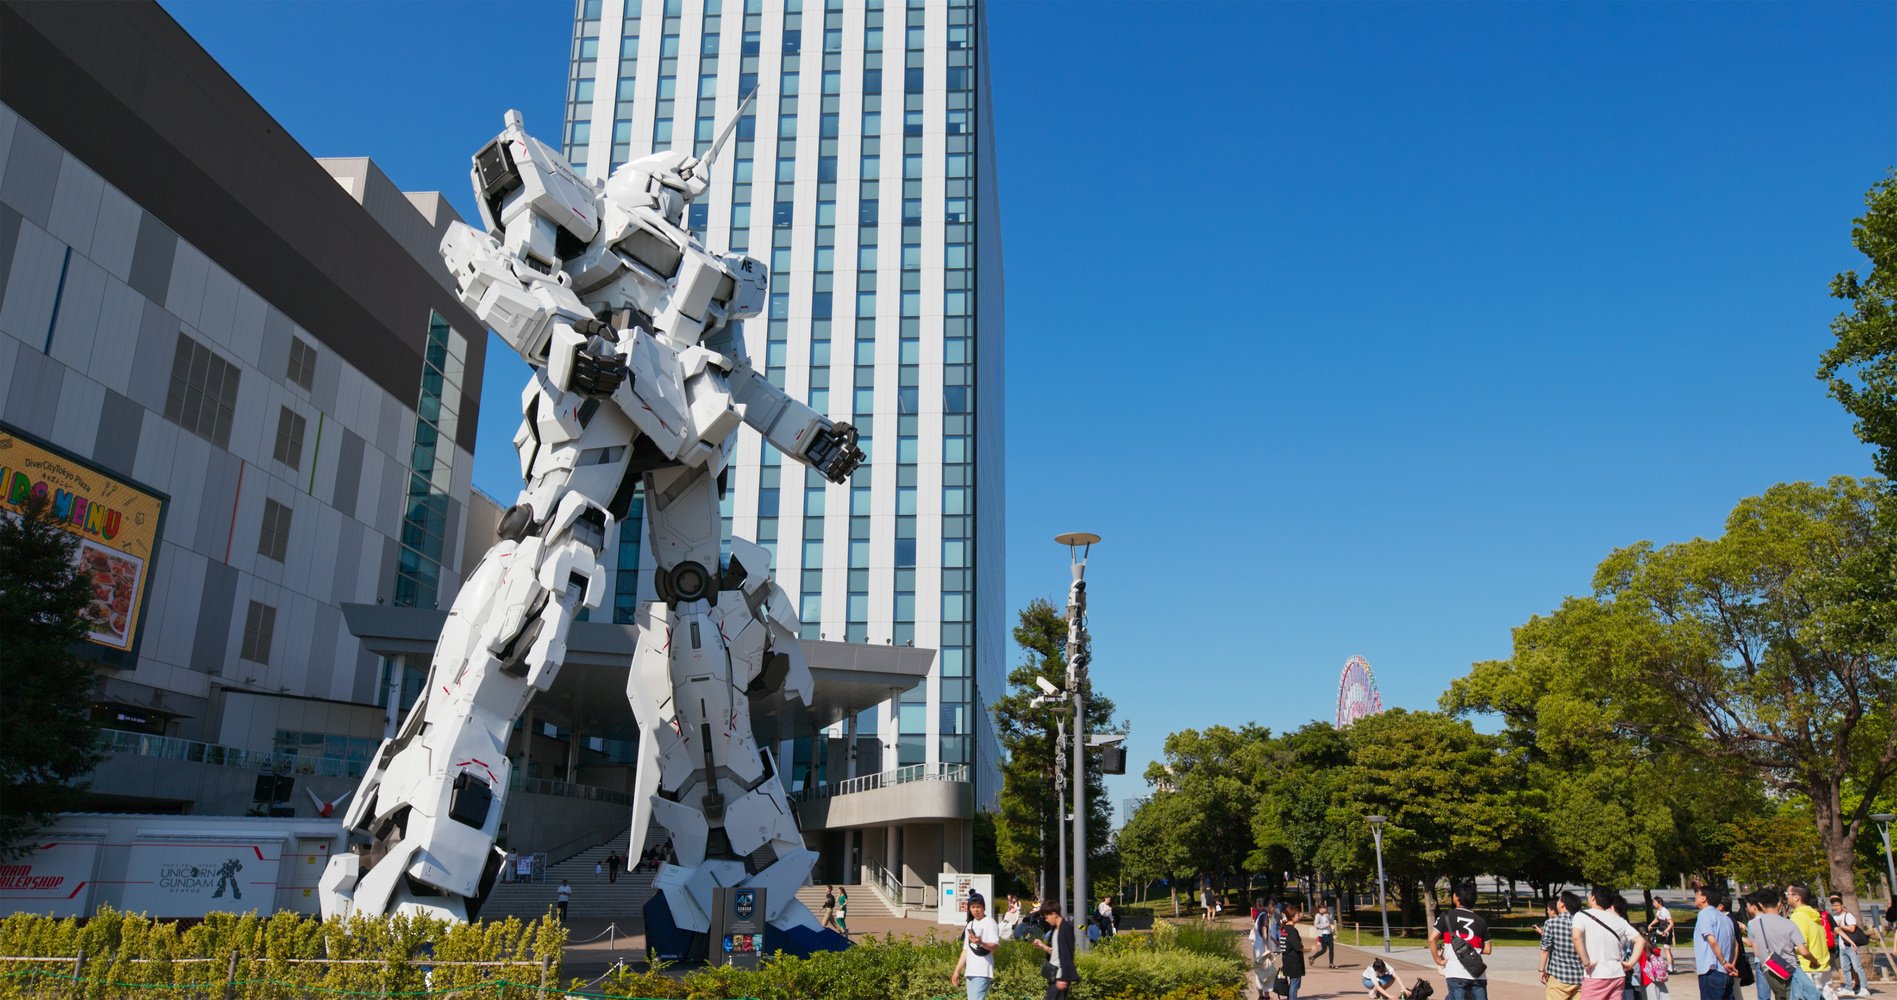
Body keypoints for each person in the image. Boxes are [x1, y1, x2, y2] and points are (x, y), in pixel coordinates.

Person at [1575, 886, 1647, 1000]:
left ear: (1593, 897)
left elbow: (1576, 938)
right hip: (1617, 975)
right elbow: (1640, 941)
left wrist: (1585, 962)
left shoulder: (1581, 915)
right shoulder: (1620, 921)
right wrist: (1630, 963)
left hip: (1596, 974)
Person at [1746, 889, 1814, 1000]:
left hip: (1770, 968)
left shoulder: (1753, 924)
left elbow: (1756, 952)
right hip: (1790, 968)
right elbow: (1803, 951)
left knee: (1780, 996)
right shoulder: (1789, 923)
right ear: (1779, 904)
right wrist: (1814, 960)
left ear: (1760, 905)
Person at [1432, 883, 1494, 1000]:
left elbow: (1432, 939)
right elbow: (1488, 950)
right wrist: (1471, 950)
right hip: (1477, 973)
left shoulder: (1446, 916)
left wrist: (1438, 960)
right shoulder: (1481, 921)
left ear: (1456, 897)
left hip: (1456, 972)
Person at [1785, 885, 1832, 1000]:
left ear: (1796, 897)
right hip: (1823, 964)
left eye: (1787, 894)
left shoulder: (1798, 916)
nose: (1786, 897)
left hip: (1809, 967)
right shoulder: (1814, 914)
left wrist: (1813, 960)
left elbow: (1801, 947)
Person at [951, 892, 1001, 1000]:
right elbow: (966, 950)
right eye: (973, 907)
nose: (976, 910)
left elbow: (995, 946)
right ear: (969, 909)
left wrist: (981, 943)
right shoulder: (971, 924)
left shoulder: (990, 923)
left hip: (983, 970)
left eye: (978, 907)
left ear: (984, 907)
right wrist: (957, 971)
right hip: (970, 970)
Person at [1694, 886, 1740, 1000]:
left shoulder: (1704, 914)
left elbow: (1712, 941)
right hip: (1726, 973)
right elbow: (1735, 944)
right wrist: (1731, 965)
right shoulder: (1726, 918)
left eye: (1697, 894)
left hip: (1711, 971)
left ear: (1704, 898)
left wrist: (1724, 962)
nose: (1695, 896)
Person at [1543, 891, 1587, 1000]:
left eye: (1559, 900)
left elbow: (1545, 948)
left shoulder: (1551, 923)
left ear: (1562, 904)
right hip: (1580, 977)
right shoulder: (1583, 924)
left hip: (1559, 975)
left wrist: (1541, 969)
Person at [1032, 901, 1079, 1000]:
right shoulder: (1056, 929)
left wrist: (1064, 978)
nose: (1046, 920)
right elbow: (1056, 952)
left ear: (1054, 914)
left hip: (1060, 976)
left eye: (1046, 917)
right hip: (1054, 976)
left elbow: (1068, 954)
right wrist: (1042, 945)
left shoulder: (1066, 929)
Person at [1827, 896, 1864, 998]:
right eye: (1833, 905)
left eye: (1837, 905)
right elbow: (1836, 931)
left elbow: (1852, 929)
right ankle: (1848, 987)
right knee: (1845, 968)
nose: (1835, 907)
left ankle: (1863, 987)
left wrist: (1840, 927)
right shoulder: (1835, 917)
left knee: (1856, 967)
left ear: (1842, 905)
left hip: (1850, 945)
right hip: (1842, 945)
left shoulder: (1848, 915)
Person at [1252, 896, 1284, 993]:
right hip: (1262, 947)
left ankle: (1261, 995)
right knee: (1267, 972)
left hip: (1257, 946)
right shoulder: (1265, 915)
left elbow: (1263, 931)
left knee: (1260, 971)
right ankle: (1266, 995)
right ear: (1270, 905)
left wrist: (1274, 940)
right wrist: (1267, 948)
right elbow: (1264, 931)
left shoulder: (1259, 913)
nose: (1274, 910)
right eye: (1274, 907)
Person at [1280, 901, 1310, 1000]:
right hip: (1294, 961)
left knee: (1293, 983)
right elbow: (1298, 947)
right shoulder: (1291, 930)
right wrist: (1310, 949)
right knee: (1295, 984)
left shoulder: (1284, 929)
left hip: (1287, 959)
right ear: (1292, 916)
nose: (1299, 916)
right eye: (1297, 914)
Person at [1315, 903, 1338, 969]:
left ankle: (1331, 963)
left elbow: (1331, 922)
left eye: (1324, 908)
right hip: (1322, 934)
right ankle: (1313, 957)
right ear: (1319, 909)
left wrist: (1328, 916)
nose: (1323, 909)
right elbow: (1316, 925)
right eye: (1321, 908)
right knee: (1324, 949)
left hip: (1329, 933)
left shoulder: (1328, 914)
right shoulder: (1318, 915)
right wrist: (1325, 925)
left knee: (1331, 949)